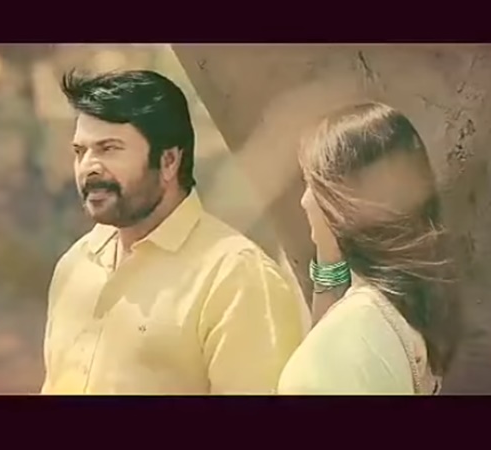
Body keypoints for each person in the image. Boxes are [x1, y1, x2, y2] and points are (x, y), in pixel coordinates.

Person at [40, 68, 307, 394]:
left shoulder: (235, 276)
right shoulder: (77, 264)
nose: (89, 167)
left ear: (168, 161)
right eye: (80, 151)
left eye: (109, 148)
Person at [277, 102, 461, 395]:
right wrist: (331, 252)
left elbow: (327, 354)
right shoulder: (410, 302)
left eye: (312, 185)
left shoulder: (345, 344)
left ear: (343, 203)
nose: (304, 200)